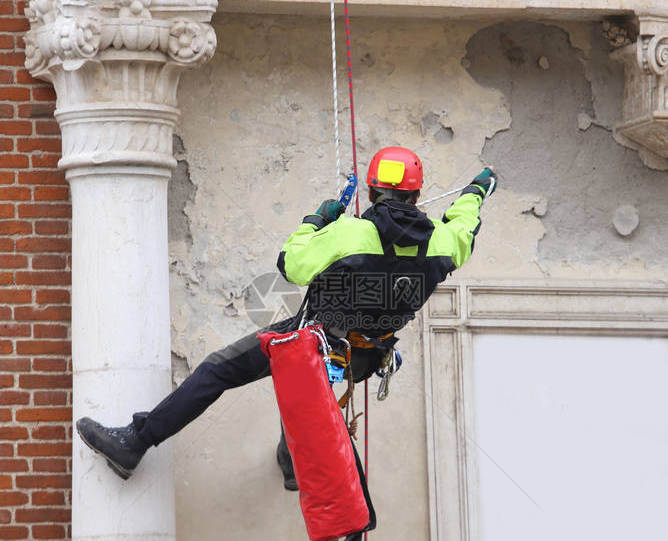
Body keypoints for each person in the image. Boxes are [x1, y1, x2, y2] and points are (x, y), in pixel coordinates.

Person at [76, 147, 496, 483]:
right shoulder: (444, 243)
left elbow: (290, 265)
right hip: (368, 357)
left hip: (318, 342)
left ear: (370, 193)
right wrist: (476, 192)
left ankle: (136, 440)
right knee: (299, 378)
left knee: (220, 369)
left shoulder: (350, 233)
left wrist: (316, 220)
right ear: (417, 196)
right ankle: (291, 462)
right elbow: (464, 224)